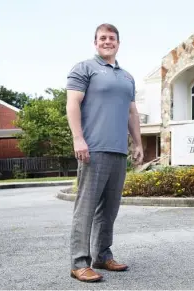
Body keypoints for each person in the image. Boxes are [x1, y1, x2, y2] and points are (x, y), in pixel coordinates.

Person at [66, 23, 143, 283]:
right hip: (93, 148)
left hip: (118, 150)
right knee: (85, 209)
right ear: (95, 42)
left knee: (109, 210)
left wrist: (139, 144)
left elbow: (132, 113)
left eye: (111, 38)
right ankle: (79, 263)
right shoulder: (84, 68)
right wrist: (79, 139)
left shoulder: (127, 77)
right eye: (102, 38)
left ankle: (102, 255)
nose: (107, 41)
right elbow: (72, 103)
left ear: (118, 43)